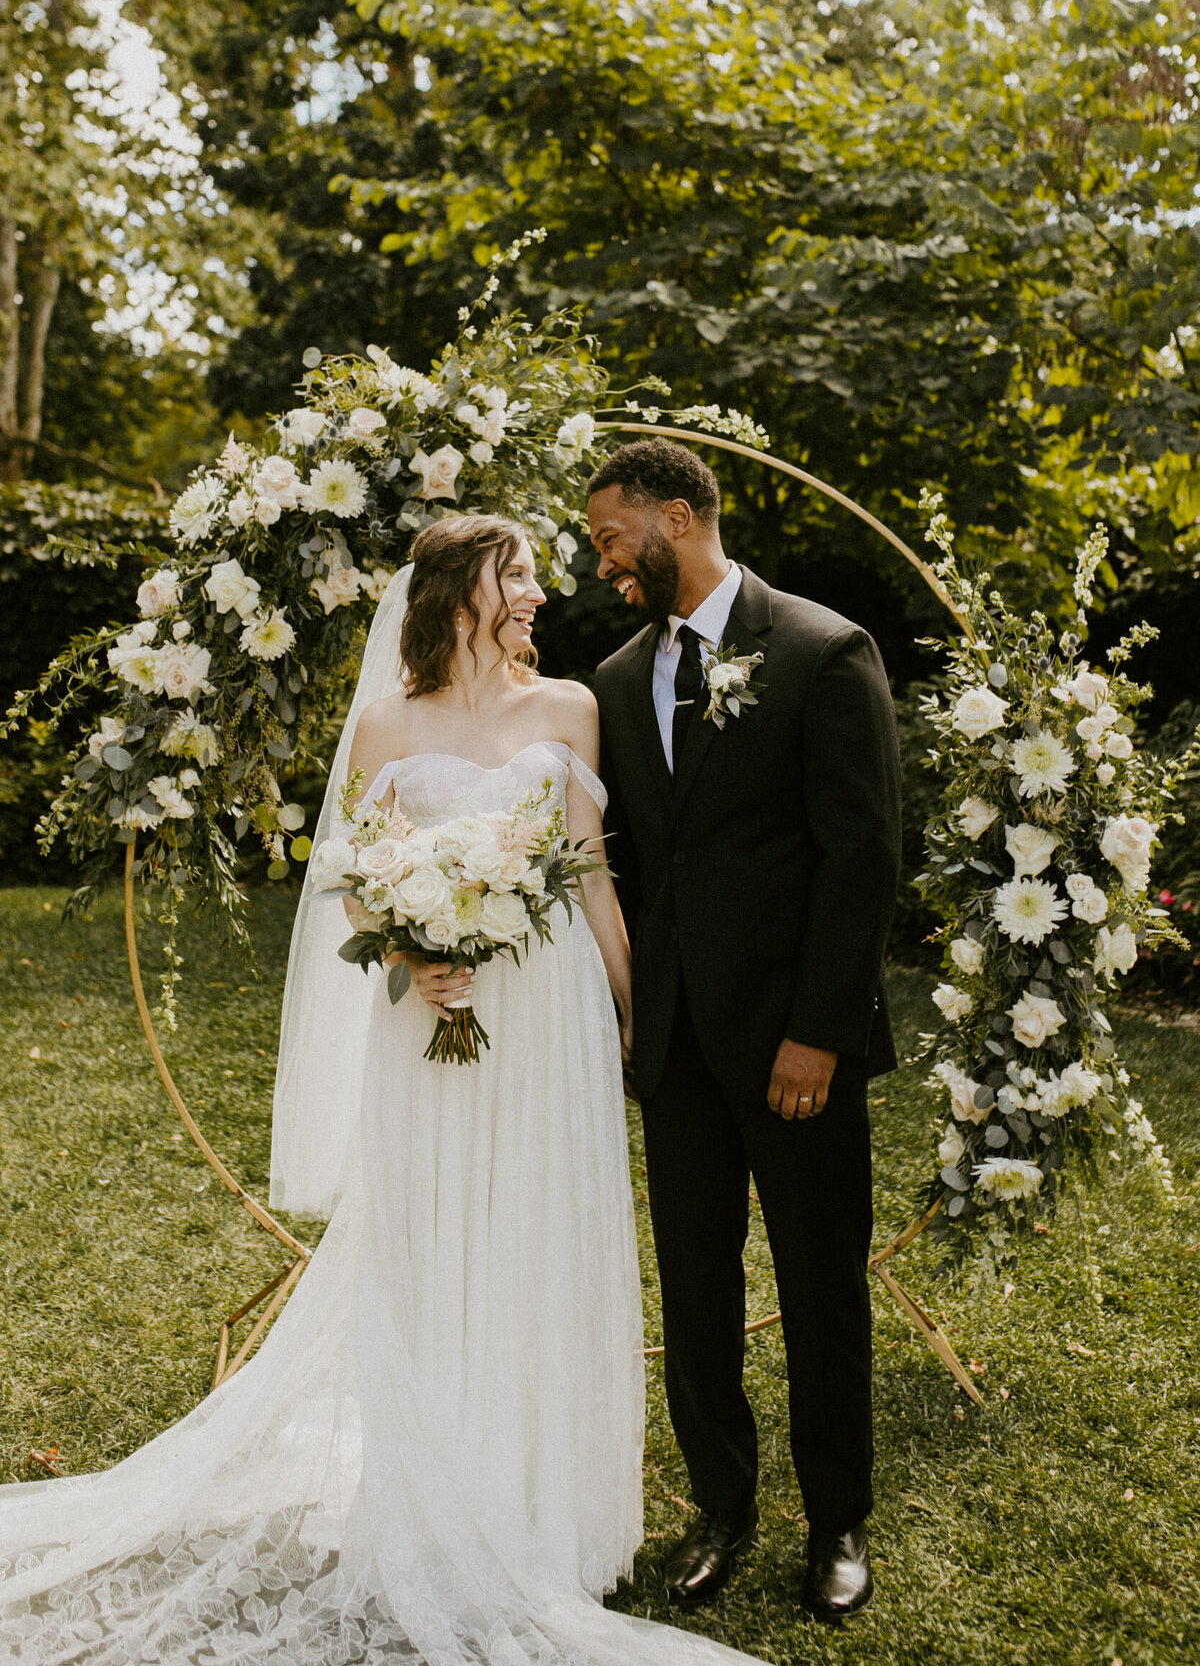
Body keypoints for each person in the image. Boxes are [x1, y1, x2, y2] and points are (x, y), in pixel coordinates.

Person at [0, 514, 762, 1666]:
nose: (540, 599)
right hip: (431, 1015)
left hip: (545, 1013)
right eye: (521, 578)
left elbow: (593, 875)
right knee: (432, 1236)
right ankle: (429, 1492)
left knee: (534, 1235)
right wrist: (411, 952)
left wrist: (630, 1014)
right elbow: (354, 886)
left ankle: (536, 1510)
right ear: (463, 590)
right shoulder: (383, 722)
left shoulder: (570, 711)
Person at [589, 440, 902, 1624]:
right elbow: (624, 859)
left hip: (794, 1051)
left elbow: (863, 856)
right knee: (698, 1291)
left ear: (681, 514)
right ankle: (723, 1506)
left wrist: (819, 1032)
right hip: (672, 1051)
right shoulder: (617, 679)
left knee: (822, 1286)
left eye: (614, 537)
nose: (604, 562)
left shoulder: (823, 651)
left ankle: (837, 1520)